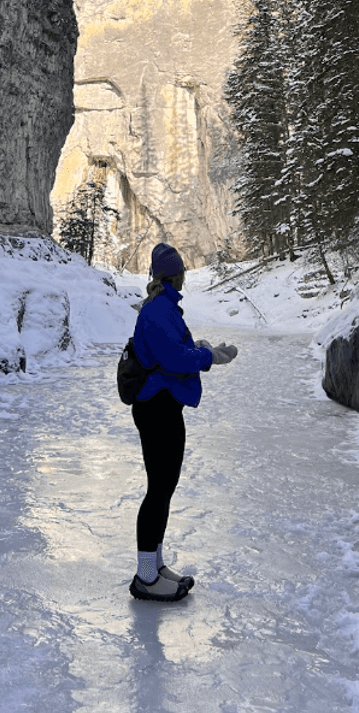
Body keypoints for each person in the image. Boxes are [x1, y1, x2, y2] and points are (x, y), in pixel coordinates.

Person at [128, 242, 238, 602]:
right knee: (159, 488)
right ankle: (145, 577)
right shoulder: (159, 310)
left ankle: (154, 567)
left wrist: (202, 349)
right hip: (157, 407)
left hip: (164, 406)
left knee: (165, 487)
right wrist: (209, 355)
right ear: (176, 275)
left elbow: (175, 349)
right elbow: (174, 358)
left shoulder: (165, 308)